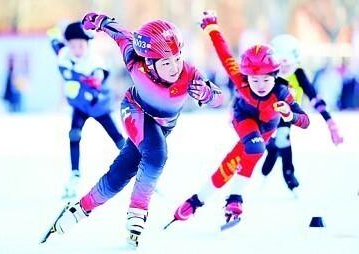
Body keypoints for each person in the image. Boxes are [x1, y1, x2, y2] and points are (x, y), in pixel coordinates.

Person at [45, 12, 224, 247]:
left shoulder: (189, 75)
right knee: (157, 154)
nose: (175, 67)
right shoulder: (134, 59)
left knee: (119, 175)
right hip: (135, 111)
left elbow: (219, 98)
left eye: (177, 58)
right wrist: (99, 22)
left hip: (161, 126)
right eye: (166, 62)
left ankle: (78, 210)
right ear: (149, 62)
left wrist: (208, 95)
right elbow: (120, 34)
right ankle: (138, 213)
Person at [169, 12, 310, 228]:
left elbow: (305, 121)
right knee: (255, 148)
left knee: (236, 160)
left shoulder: (282, 93)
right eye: (254, 79)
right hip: (243, 118)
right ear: (246, 76)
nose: (260, 85)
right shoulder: (240, 80)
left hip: (265, 127)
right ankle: (232, 200)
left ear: (274, 76)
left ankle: (201, 201)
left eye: (265, 79)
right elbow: (224, 54)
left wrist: (290, 115)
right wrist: (211, 26)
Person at [48, 21, 126, 199]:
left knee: (116, 137)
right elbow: (56, 44)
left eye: (81, 45)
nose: (77, 49)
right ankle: (74, 174)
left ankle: (135, 162)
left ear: (88, 44)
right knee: (74, 135)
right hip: (80, 106)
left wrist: (96, 80)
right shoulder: (64, 54)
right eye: (73, 45)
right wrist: (53, 34)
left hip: (98, 106)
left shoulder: (94, 60)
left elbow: (100, 72)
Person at [261, 34, 343, 191]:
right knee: (269, 146)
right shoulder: (269, 75)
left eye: (288, 64)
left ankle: (288, 173)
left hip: (287, 114)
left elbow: (314, 97)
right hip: (266, 115)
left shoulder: (298, 73)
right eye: (280, 65)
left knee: (283, 138)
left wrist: (330, 122)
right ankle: (272, 151)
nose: (284, 69)